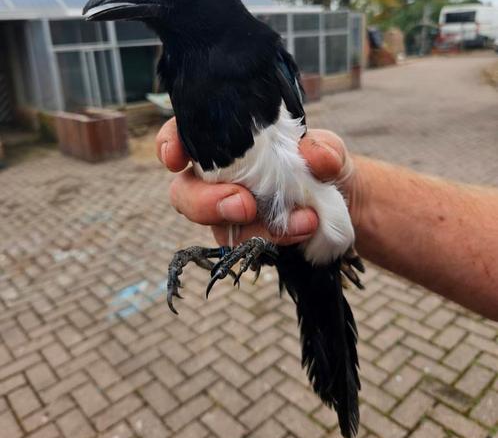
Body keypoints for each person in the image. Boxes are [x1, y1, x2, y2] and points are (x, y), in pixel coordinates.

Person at [156, 118, 498, 321]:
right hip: (285, 223)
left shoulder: (256, 57)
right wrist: (354, 200)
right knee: (245, 221)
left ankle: (265, 249)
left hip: (305, 226)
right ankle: (262, 249)